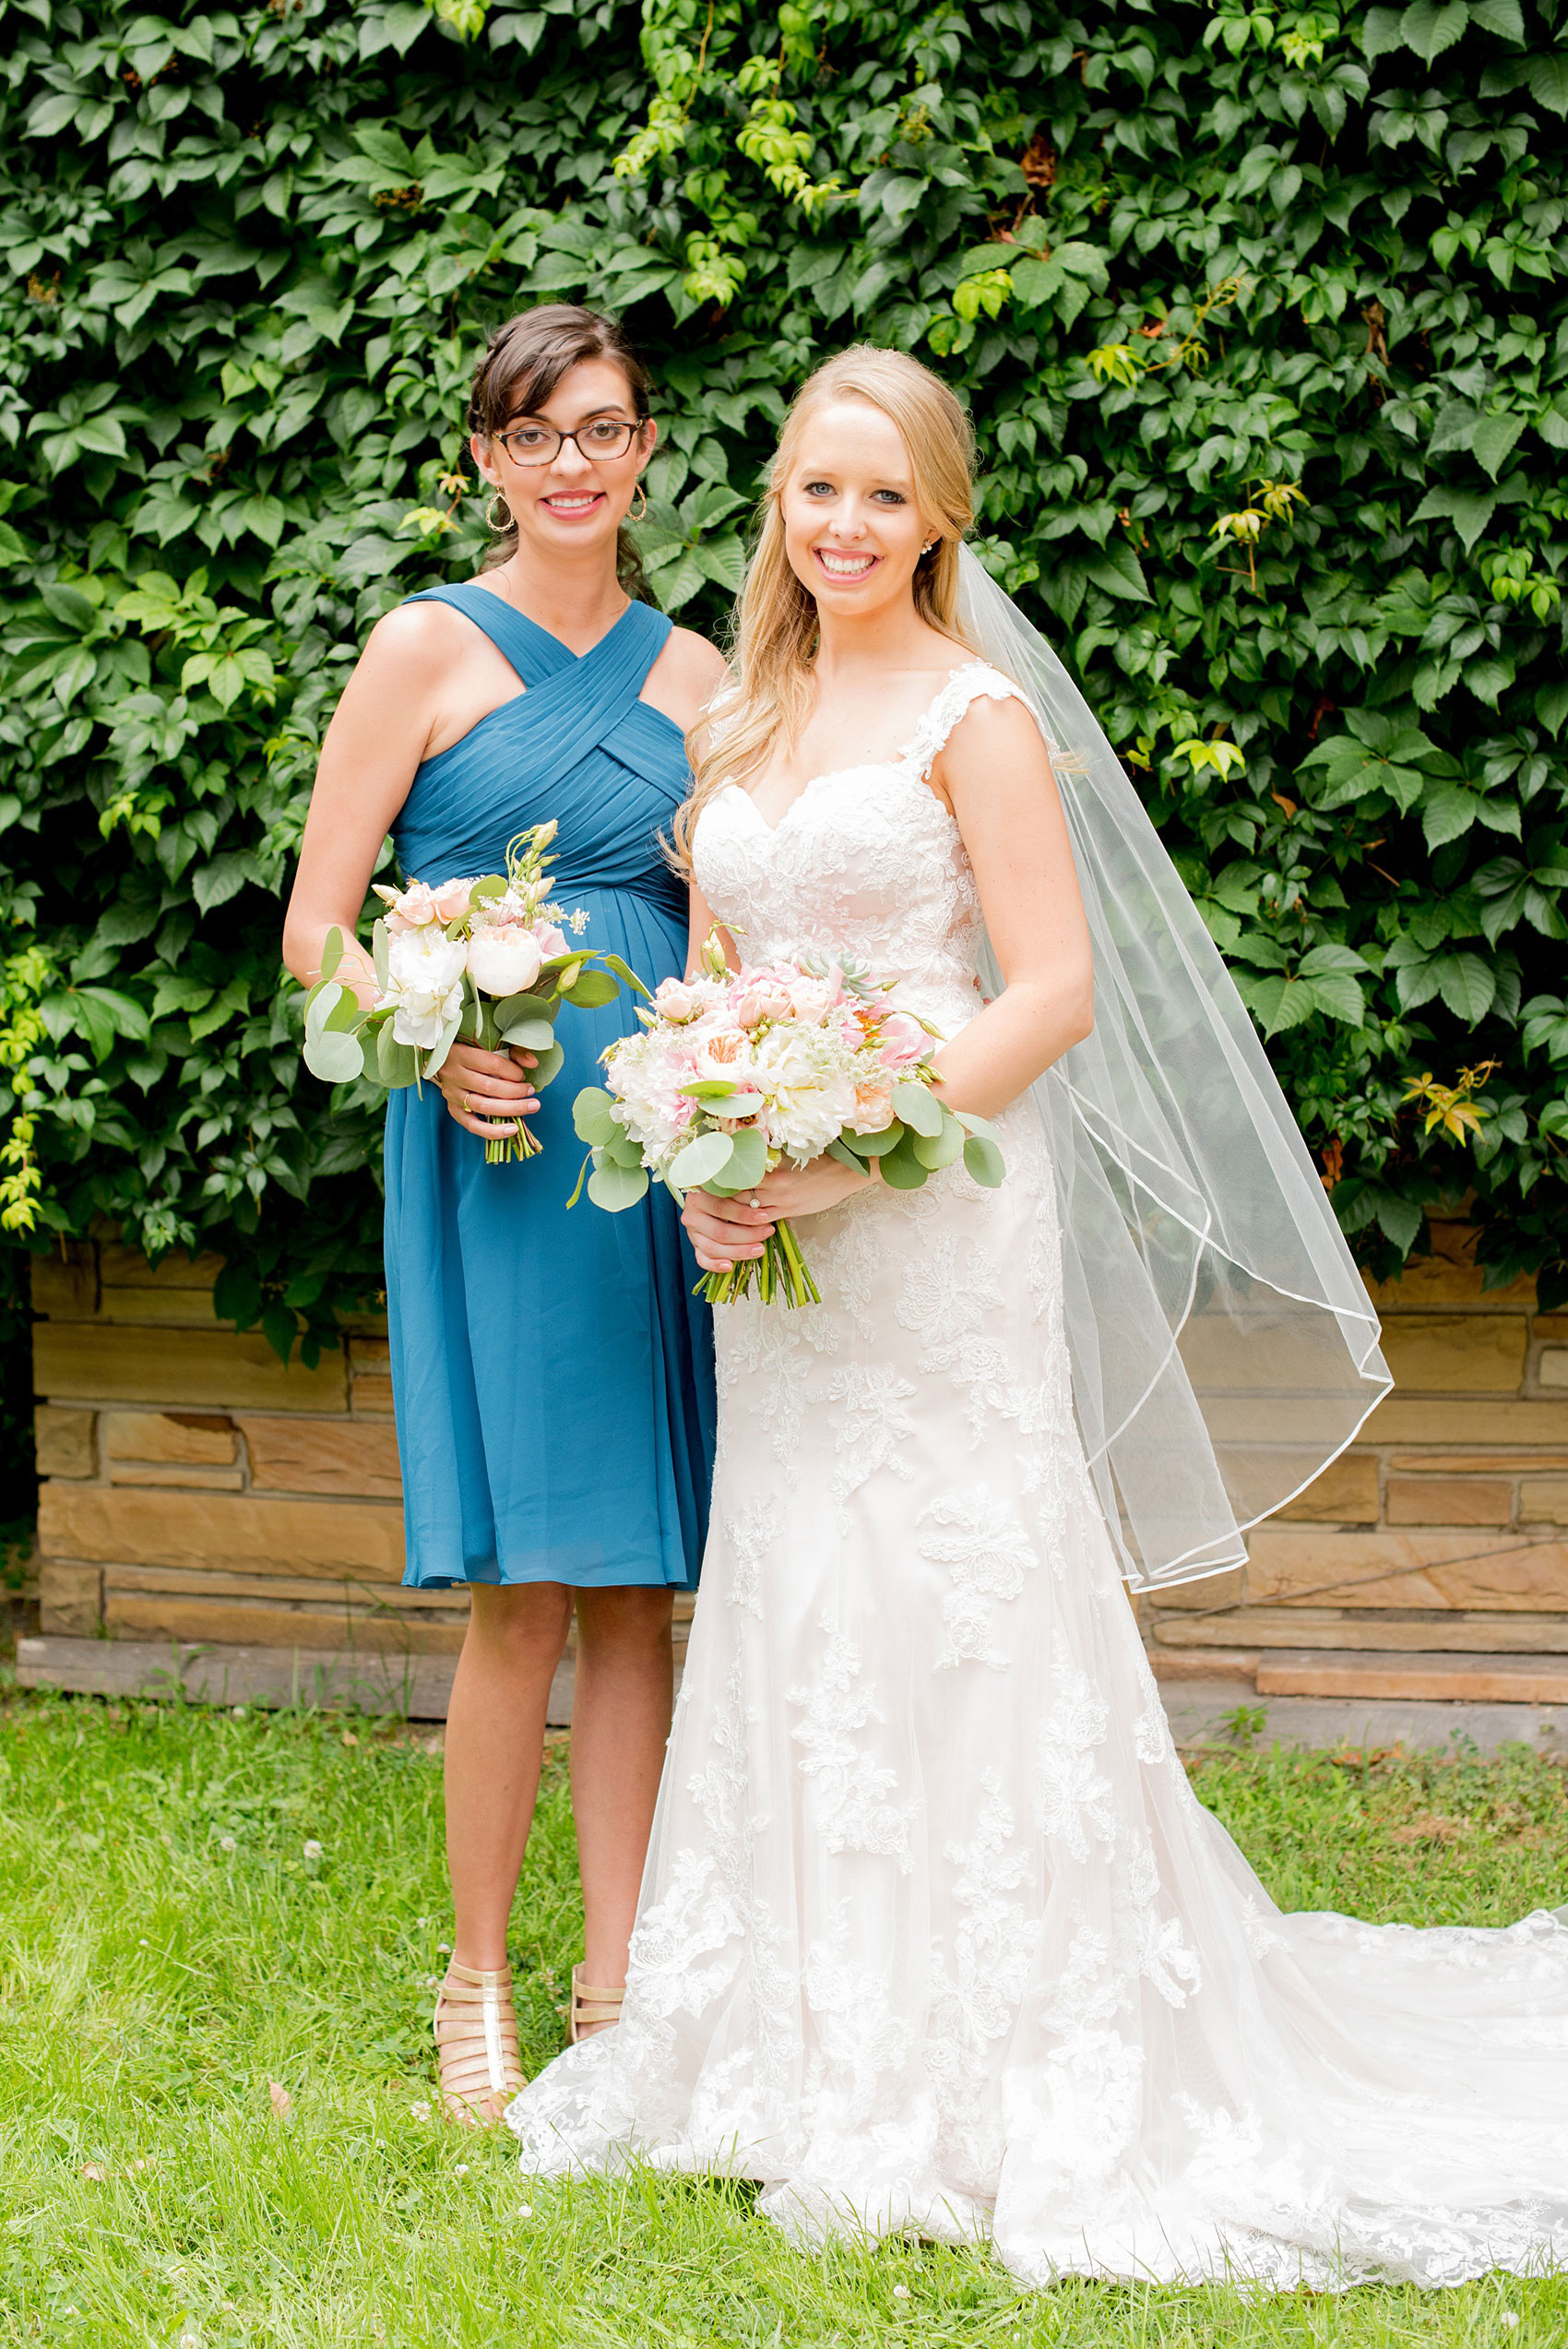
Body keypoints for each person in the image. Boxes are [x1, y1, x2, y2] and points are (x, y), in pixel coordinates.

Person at [505, 347, 1568, 2285]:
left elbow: (1050, 987)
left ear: (938, 516)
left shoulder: (977, 713)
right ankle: (785, 2038)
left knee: (956, 1574)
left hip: (938, 1205)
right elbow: (725, 965)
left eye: (884, 497)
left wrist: (848, 1155)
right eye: (816, 490)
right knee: (803, 1574)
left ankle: (1005, 2052)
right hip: (778, 1241)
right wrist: (711, 1133)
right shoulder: (747, 710)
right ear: (777, 504)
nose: (844, 527)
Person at [283, 304, 724, 2120]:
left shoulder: (702, 674)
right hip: (501, 1133)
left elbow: (740, 917)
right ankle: (474, 1976)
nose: (571, 464)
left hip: (657, 1145)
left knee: (641, 1582)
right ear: (485, 457)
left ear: (643, 449)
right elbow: (316, 926)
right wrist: (428, 1037)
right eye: (534, 435)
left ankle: (616, 1981)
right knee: (525, 1584)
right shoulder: (419, 649)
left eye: (602, 430)